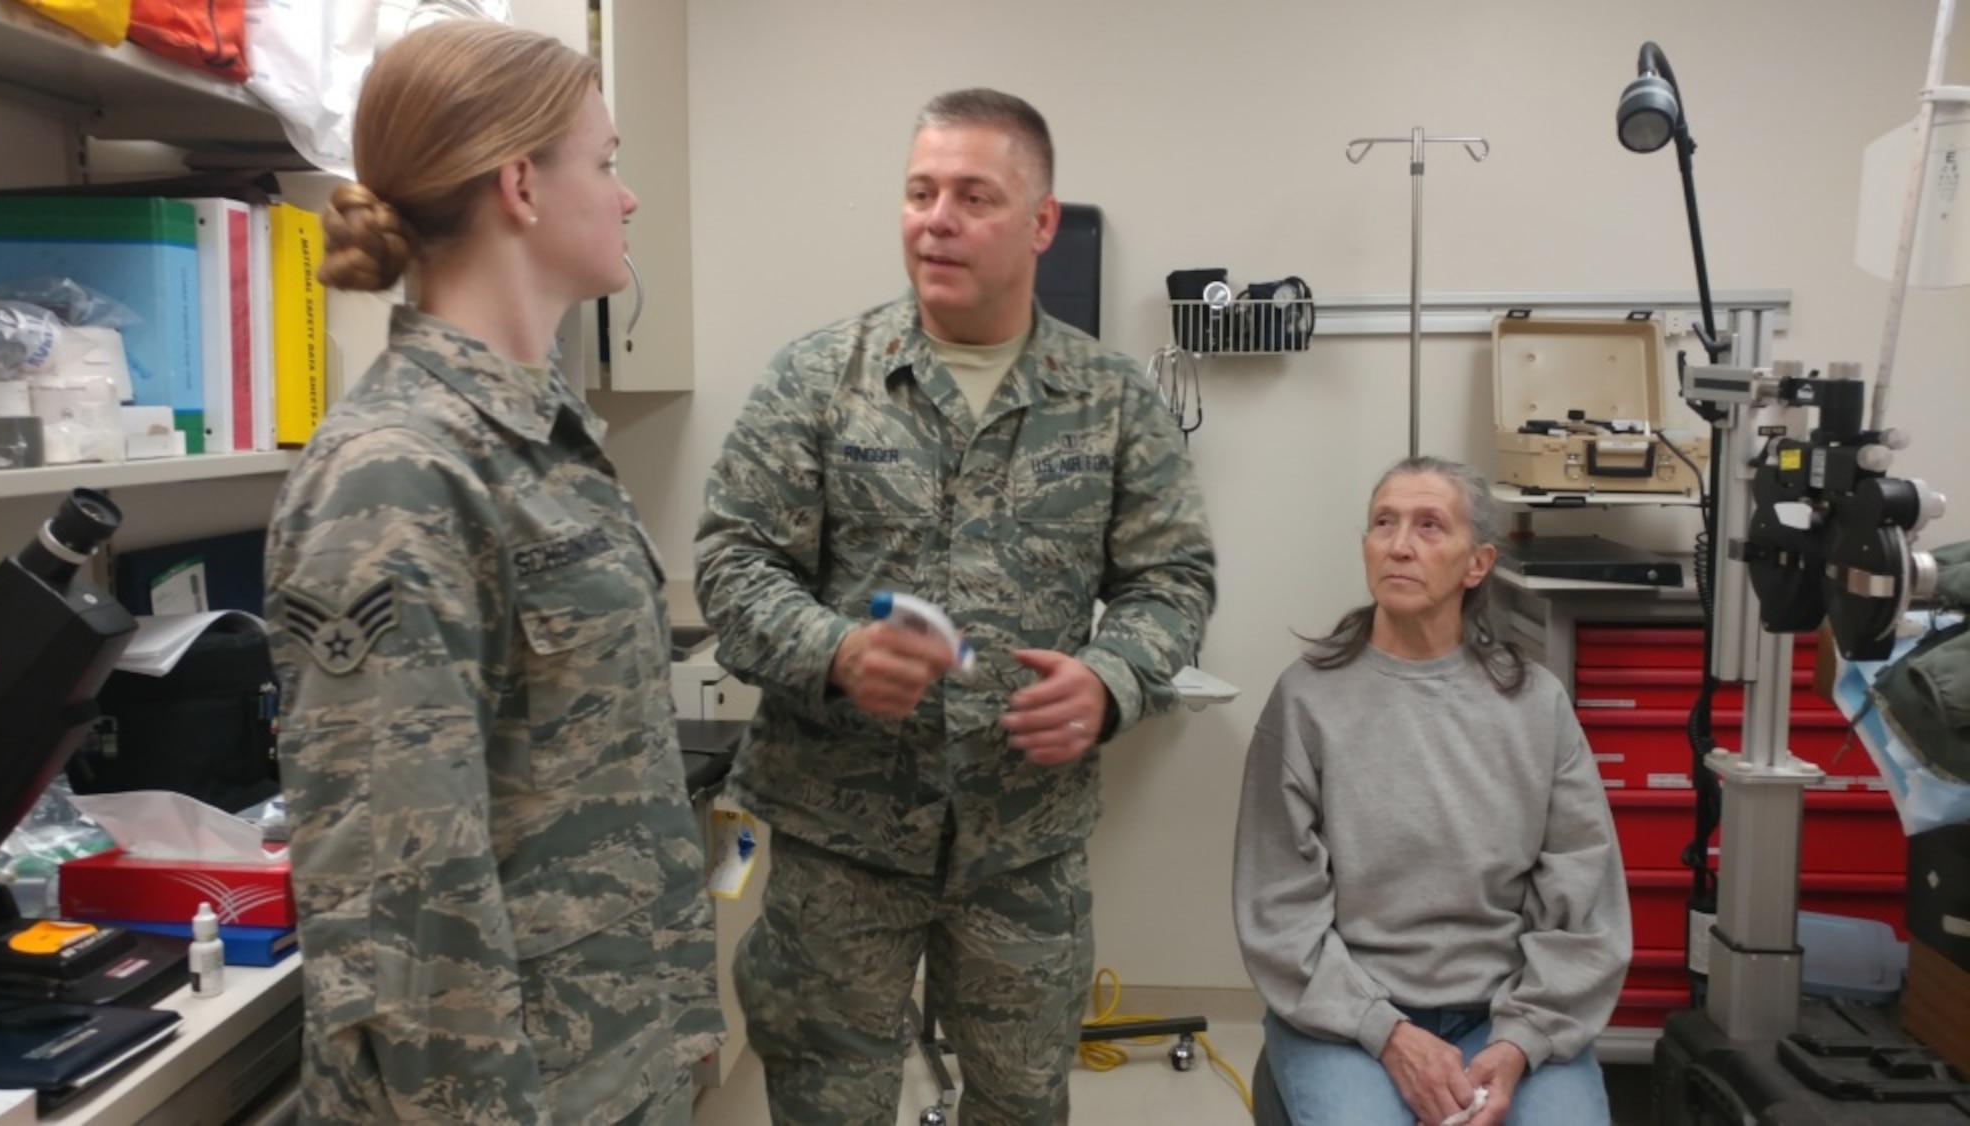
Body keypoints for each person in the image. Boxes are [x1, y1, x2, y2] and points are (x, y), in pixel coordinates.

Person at [693, 88, 1217, 1124]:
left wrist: (1110, 684)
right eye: (918, 191)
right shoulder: (817, 379)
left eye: (972, 195)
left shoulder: (1110, 399)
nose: (935, 217)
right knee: (827, 1106)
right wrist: (833, 649)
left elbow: (1173, 582)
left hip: (1021, 848)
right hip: (840, 842)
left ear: (1038, 224)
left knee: (1022, 1104)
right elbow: (731, 562)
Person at [265, 21, 719, 1125]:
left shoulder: (540, 436)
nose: (628, 197)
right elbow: (400, 907)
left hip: (612, 1059)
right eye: (605, 163)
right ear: (520, 183)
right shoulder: (397, 474)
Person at [1233, 456, 1630, 1126]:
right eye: (1383, 523)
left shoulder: (1536, 705)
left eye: (1428, 526)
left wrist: (1517, 1043)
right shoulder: (1307, 701)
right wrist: (1384, 1032)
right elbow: (1278, 910)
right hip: (1350, 1017)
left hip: (1505, 1012)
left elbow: (1584, 904)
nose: (1399, 545)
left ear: (1477, 565)